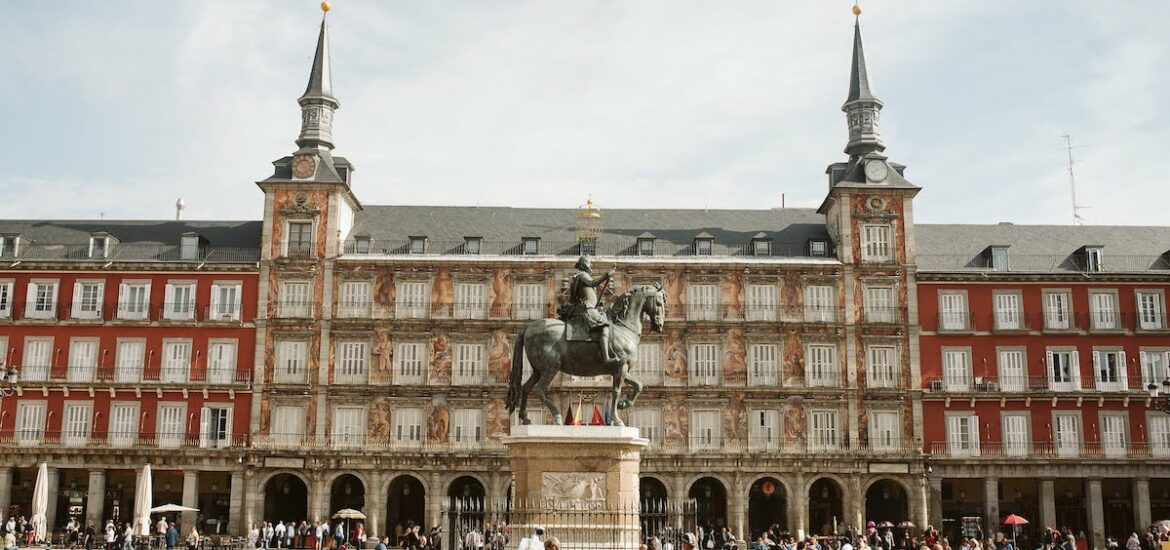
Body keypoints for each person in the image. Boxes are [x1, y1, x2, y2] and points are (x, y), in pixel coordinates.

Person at [560, 255, 620, 364]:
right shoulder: (582, 275)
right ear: (583, 265)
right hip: (586, 308)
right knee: (604, 326)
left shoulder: (581, 276)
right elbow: (592, 283)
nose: (591, 265)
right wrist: (607, 275)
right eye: (589, 262)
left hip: (589, 307)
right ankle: (606, 358)